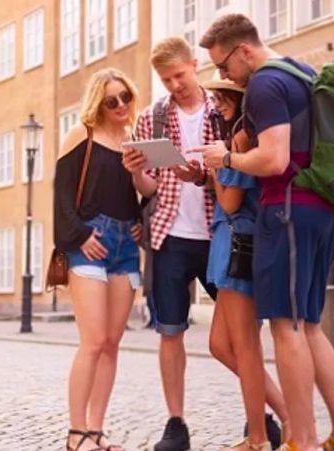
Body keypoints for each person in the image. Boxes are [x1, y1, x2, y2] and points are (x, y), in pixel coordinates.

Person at [196, 14, 334, 451]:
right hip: (326, 208)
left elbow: (273, 160)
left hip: (288, 211)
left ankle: (302, 442)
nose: (223, 76)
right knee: (310, 325)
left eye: (223, 65)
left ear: (244, 50)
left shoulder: (266, 85)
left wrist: (225, 160)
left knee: (285, 328)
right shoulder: (304, 73)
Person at [122, 37, 218, 451]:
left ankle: (261, 415)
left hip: (220, 235)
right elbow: (149, 188)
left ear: (194, 65)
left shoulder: (223, 109)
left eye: (179, 75)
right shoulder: (152, 118)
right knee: (170, 331)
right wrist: (135, 172)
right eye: (166, 80)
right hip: (168, 235)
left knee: (241, 335)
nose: (174, 85)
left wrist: (202, 174)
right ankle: (176, 424)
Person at [54, 68, 143, 451]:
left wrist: (140, 221)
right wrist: (80, 236)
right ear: (98, 103)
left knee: (110, 343)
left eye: (125, 96)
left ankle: (97, 429)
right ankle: (76, 433)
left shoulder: (133, 141)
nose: (121, 104)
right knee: (91, 342)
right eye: (112, 100)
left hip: (125, 247)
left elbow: (135, 193)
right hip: (89, 240)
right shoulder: (81, 136)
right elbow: (61, 197)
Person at [203, 72, 289, 451]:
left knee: (246, 346)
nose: (218, 102)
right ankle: (289, 416)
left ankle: (257, 438)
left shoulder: (239, 138)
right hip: (232, 240)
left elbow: (229, 201)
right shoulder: (240, 138)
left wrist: (214, 169)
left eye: (224, 96)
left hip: (238, 241)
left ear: (240, 100)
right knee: (221, 344)